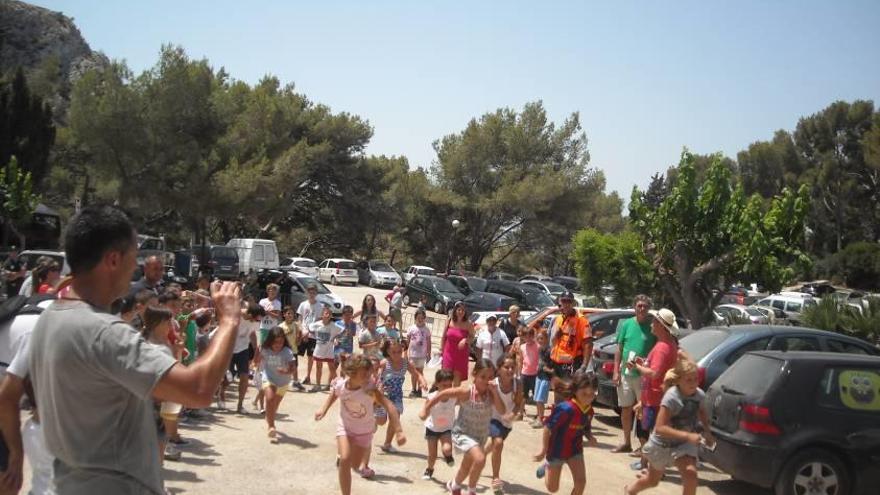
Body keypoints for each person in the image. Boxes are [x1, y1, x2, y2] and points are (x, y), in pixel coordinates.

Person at [0, 205, 242, 495]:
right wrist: (229, 320)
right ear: (113, 260)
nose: (136, 269)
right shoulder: (104, 333)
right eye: (133, 258)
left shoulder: (49, 319)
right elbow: (199, 389)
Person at [314, 354, 406, 495]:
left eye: (369, 372)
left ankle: (348, 457)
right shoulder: (341, 385)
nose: (369, 376)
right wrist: (323, 409)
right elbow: (334, 394)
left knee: (355, 465)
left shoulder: (370, 390)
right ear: (351, 374)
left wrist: (399, 431)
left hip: (364, 432)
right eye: (365, 374)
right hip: (345, 428)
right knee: (345, 459)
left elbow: (390, 406)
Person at [624, 354, 713, 495]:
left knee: (691, 475)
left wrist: (707, 431)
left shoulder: (699, 395)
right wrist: (688, 435)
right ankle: (630, 491)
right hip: (662, 445)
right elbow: (660, 428)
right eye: (688, 380)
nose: (693, 383)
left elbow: (701, 412)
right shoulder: (672, 397)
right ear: (678, 381)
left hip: (683, 444)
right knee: (653, 480)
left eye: (696, 379)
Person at [419, 359, 505, 495]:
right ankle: (471, 490)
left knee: (466, 466)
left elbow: (502, 410)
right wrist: (427, 407)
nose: (485, 381)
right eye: (482, 377)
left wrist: (495, 392)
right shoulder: (466, 391)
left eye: (489, 377)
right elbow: (443, 393)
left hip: (480, 437)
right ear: (474, 375)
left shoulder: (491, 394)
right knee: (480, 459)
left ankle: (454, 485)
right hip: (463, 433)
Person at [628, 308, 681, 471]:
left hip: (654, 398)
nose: (652, 324)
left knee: (647, 433)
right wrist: (644, 362)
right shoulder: (668, 345)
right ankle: (647, 464)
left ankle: (654, 467)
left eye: (655, 321)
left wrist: (636, 366)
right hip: (658, 396)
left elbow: (654, 373)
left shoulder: (662, 347)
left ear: (661, 326)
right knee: (651, 433)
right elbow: (657, 368)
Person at [533, 372, 599, 495]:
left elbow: (586, 428)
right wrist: (543, 451)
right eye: (584, 393)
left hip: (575, 450)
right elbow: (548, 428)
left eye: (592, 394)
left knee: (581, 482)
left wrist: (590, 437)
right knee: (553, 489)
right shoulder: (565, 409)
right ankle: (547, 466)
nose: (588, 398)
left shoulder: (589, 411)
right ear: (575, 390)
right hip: (557, 451)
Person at [613, 295, 656, 455]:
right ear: (634, 307)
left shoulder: (653, 326)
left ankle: (643, 446)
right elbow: (619, 348)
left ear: (649, 308)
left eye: (645, 306)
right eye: (639, 306)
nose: (642, 309)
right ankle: (626, 442)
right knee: (625, 409)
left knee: (642, 411)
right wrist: (616, 370)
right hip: (625, 374)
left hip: (643, 376)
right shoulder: (626, 324)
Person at [139, 305, 184, 462]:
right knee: (156, 445)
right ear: (158, 323)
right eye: (168, 323)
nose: (171, 326)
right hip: (154, 401)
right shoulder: (152, 347)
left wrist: (178, 352)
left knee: (160, 442)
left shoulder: (162, 343)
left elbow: (174, 369)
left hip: (162, 400)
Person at [375, 339, 427, 454]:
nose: (397, 354)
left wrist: (422, 381)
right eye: (394, 352)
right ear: (388, 351)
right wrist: (377, 387)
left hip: (396, 396)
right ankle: (373, 419)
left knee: (395, 418)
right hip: (382, 397)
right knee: (381, 421)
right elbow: (376, 376)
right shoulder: (384, 363)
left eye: (399, 351)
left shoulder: (405, 363)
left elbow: (416, 373)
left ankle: (387, 444)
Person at [486, 356, 523, 494]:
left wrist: (513, 414)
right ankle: (496, 478)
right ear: (499, 369)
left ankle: (481, 456)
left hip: (506, 422)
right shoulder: (492, 384)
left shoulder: (517, 384)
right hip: (492, 418)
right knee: (498, 443)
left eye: (513, 367)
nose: (510, 370)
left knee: (495, 445)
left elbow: (518, 403)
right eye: (506, 367)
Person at [260, 326, 296, 443]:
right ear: (270, 340)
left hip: (283, 382)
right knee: (270, 399)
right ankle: (271, 426)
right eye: (275, 342)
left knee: (274, 407)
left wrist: (286, 371)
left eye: (280, 342)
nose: (278, 345)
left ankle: (269, 417)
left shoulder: (287, 352)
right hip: (269, 378)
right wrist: (254, 364)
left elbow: (293, 368)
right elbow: (258, 355)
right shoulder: (265, 349)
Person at [225, 303, 263, 414]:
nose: (255, 321)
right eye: (254, 319)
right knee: (230, 377)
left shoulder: (256, 320)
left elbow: (252, 333)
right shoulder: (236, 315)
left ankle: (240, 405)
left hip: (243, 349)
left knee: (244, 377)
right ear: (249, 314)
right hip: (229, 349)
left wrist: (256, 348)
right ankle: (221, 392)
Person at [421, 369, 456, 480]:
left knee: (447, 449)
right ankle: (429, 469)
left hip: (446, 428)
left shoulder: (454, 396)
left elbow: (465, 399)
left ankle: (448, 456)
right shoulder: (431, 397)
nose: (447, 387)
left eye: (449, 385)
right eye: (444, 385)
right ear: (437, 384)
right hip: (432, 428)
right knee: (432, 455)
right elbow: (425, 410)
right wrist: (423, 414)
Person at [548, 291, 592, 378]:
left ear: (573, 303)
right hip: (556, 365)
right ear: (560, 302)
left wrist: (584, 367)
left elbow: (588, 345)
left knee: (568, 391)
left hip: (571, 366)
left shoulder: (581, 320)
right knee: (558, 391)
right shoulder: (559, 318)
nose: (566, 304)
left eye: (569, 301)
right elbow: (553, 342)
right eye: (564, 301)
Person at [440, 301, 473, 386]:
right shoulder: (449, 320)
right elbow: (443, 337)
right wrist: (441, 350)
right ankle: (446, 397)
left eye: (463, 310)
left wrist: (465, 340)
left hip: (461, 355)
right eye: (459, 310)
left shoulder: (468, 324)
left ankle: (455, 398)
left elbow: (472, 337)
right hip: (448, 353)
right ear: (455, 310)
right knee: (446, 378)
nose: (461, 312)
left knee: (457, 380)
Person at [309, 306, 342, 392]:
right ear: (322, 314)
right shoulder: (317, 324)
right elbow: (310, 328)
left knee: (331, 368)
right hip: (319, 349)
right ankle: (318, 385)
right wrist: (310, 334)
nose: (327, 315)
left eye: (329, 314)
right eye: (326, 313)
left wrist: (336, 338)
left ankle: (337, 385)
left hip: (329, 350)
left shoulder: (334, 325)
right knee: (318, 367)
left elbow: (342, 331)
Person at [296, 284, 324, 385]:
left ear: (316, 293)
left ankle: (308, 376)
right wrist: (301, 331)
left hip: (313, 336)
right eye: (310, 292)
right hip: (302, 334)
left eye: (313, 292)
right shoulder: (303, 304)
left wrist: (310, 331)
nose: (311, 294)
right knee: (296, 355)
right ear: (307, 293)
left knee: (310, 357)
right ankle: (295, 377)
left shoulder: (320, 306)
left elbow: (320, 322)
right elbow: (299, 320)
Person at [406, 308, 432, 398]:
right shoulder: (411, 328)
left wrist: (429, 353)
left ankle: (419, 389)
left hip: (422, 355)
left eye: (422, 318)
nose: (420, 320)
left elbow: (429, 342)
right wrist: (405, 353)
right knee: (413, 372)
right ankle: (413, 389)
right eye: (418, 318)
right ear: (415, 318)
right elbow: (407, 342)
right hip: (412, 355)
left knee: (420, 372)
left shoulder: (426, 330)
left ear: (424, 319)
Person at [279, 305, 305, 391]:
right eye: (288, 313)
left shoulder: (296, 325)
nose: (290, 315)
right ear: (284, 315)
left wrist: (299, 339)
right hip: (283, 350)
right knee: (284, 366)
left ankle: (295, 381)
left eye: (292, 313)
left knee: (294, 366)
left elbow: (298, 337)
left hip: (293, 349)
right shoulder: (281, 326)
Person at [531, 330, 553, 428]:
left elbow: (554, 367)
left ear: (547, 339)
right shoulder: (540, 349)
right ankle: (538, 417)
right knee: (537, 399)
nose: (540, 340)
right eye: (538, 338)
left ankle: (541, 419)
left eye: (542, 338)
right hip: (539, 375)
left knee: (540, 399)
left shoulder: (550, 351)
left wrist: (547, 369)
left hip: (546, 377)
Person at [517, 327, 539, 406]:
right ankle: (521, 412)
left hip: (535, 374)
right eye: (525, 336)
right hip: (524, 373)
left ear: (533, 336)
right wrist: (519, 374)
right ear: (523, 337)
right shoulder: (522, 347)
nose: (528, 338)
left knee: (536, 394)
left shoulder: (538, 346)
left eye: (530, 336)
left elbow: (540, 359)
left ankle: (538, 413)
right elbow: (520, 361)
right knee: (523, 394)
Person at [333, 305, 357, 376]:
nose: (348, 317)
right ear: (343, 315)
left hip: (348, 347)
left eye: (350, 315)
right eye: (346, 315)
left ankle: (341, 382)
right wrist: (334, 340)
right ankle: (331, 381)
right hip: (339, 346)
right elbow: (333, 334)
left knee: (344, 365)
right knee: (335, 365)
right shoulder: (337, 323)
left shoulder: (353, 324)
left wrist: (349, 328)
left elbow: (353, 334)